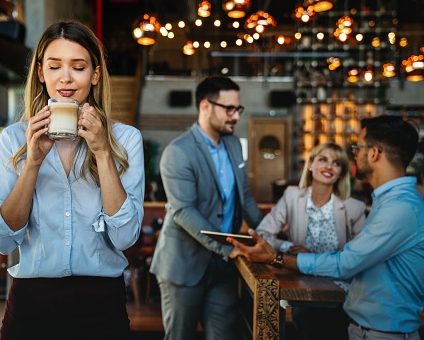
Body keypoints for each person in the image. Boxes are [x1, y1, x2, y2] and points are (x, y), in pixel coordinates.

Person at [0, 21, 144, 340]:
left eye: (79, 66)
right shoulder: (14, 138)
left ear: (95, 75)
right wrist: (32, 162)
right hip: (31, 305)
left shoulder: (126, 139)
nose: (66, 78)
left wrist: (102, 152)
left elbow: (125, 237)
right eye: (54, 66)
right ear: (41, 73)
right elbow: (2, 241)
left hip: (102, 306)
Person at [229, 115, 424, 340]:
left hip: (383, 334)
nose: (355, 154)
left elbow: (346, 263)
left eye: (357, 148)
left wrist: (277, 258)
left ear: (373, 153)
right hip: (365, 329)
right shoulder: (390, 201)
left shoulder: (399, 207)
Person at [150, 76, 263, 340]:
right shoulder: (178, 151)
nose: (235, 116)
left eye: (238, 109)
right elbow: (183, 211)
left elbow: (243, 195)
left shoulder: (234, 144)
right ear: (205, 107)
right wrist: (227, 248)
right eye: (229, 109)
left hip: (223, 267)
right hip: (184, 264)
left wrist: (264, 233)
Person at [255, 142, 365, 340]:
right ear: (311, 164)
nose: (329, 166)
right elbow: (263, 234)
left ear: (341, 172)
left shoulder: (354, 208)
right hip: (302, 288)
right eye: (323, 159)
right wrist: (289, 248)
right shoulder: (292, 196)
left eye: (336, 163)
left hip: (341, 293)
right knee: (307, 321)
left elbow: (361, 258)